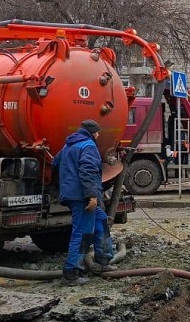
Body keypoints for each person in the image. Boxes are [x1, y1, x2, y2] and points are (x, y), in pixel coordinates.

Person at [53, 119, 116, 285]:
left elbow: (55, 162)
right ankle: (71, 273)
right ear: (92, 132)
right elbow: (88, 171)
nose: (98, 135)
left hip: (72, 194)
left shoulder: (69, 145)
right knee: (82, 233)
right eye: (97, 132)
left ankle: (102, 261)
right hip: (82, 197)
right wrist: (92, 196)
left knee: (101, 221)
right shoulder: (88, 145)